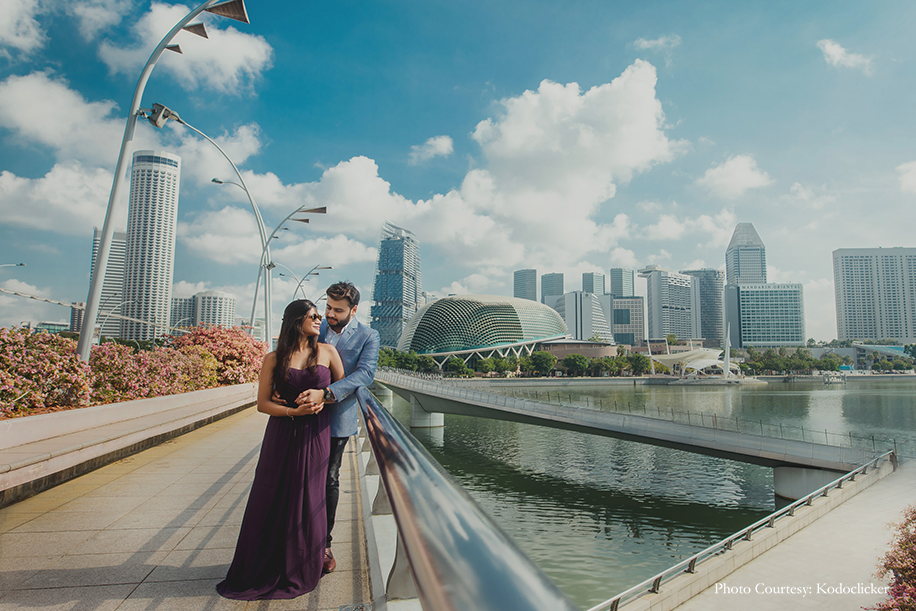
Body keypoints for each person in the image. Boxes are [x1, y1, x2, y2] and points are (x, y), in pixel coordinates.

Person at [216, 300, 344, 600]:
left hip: (315, 435)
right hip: (282, 433)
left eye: (319, 315)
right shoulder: (274, 358)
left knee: (308, 494)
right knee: (272, 494)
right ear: (296, 321)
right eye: (313, 316)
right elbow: (262, 404)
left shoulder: (328, 352)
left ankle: (302, 563)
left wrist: (322, 396)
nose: (320, 319)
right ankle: (267, 563)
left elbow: (344, 389)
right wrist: (293, 412)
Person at [292, 281, 380, 574]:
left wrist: (327, 393)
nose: (329, 314)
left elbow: (365, 374)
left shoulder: (368, 336)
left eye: (338, 310)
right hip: (303, 414)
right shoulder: (315, 326)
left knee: (328, 479)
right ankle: (295, 540)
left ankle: (324, 544)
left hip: (337, 417)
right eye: (328, 307)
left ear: (353, 310)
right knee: (299, 477)